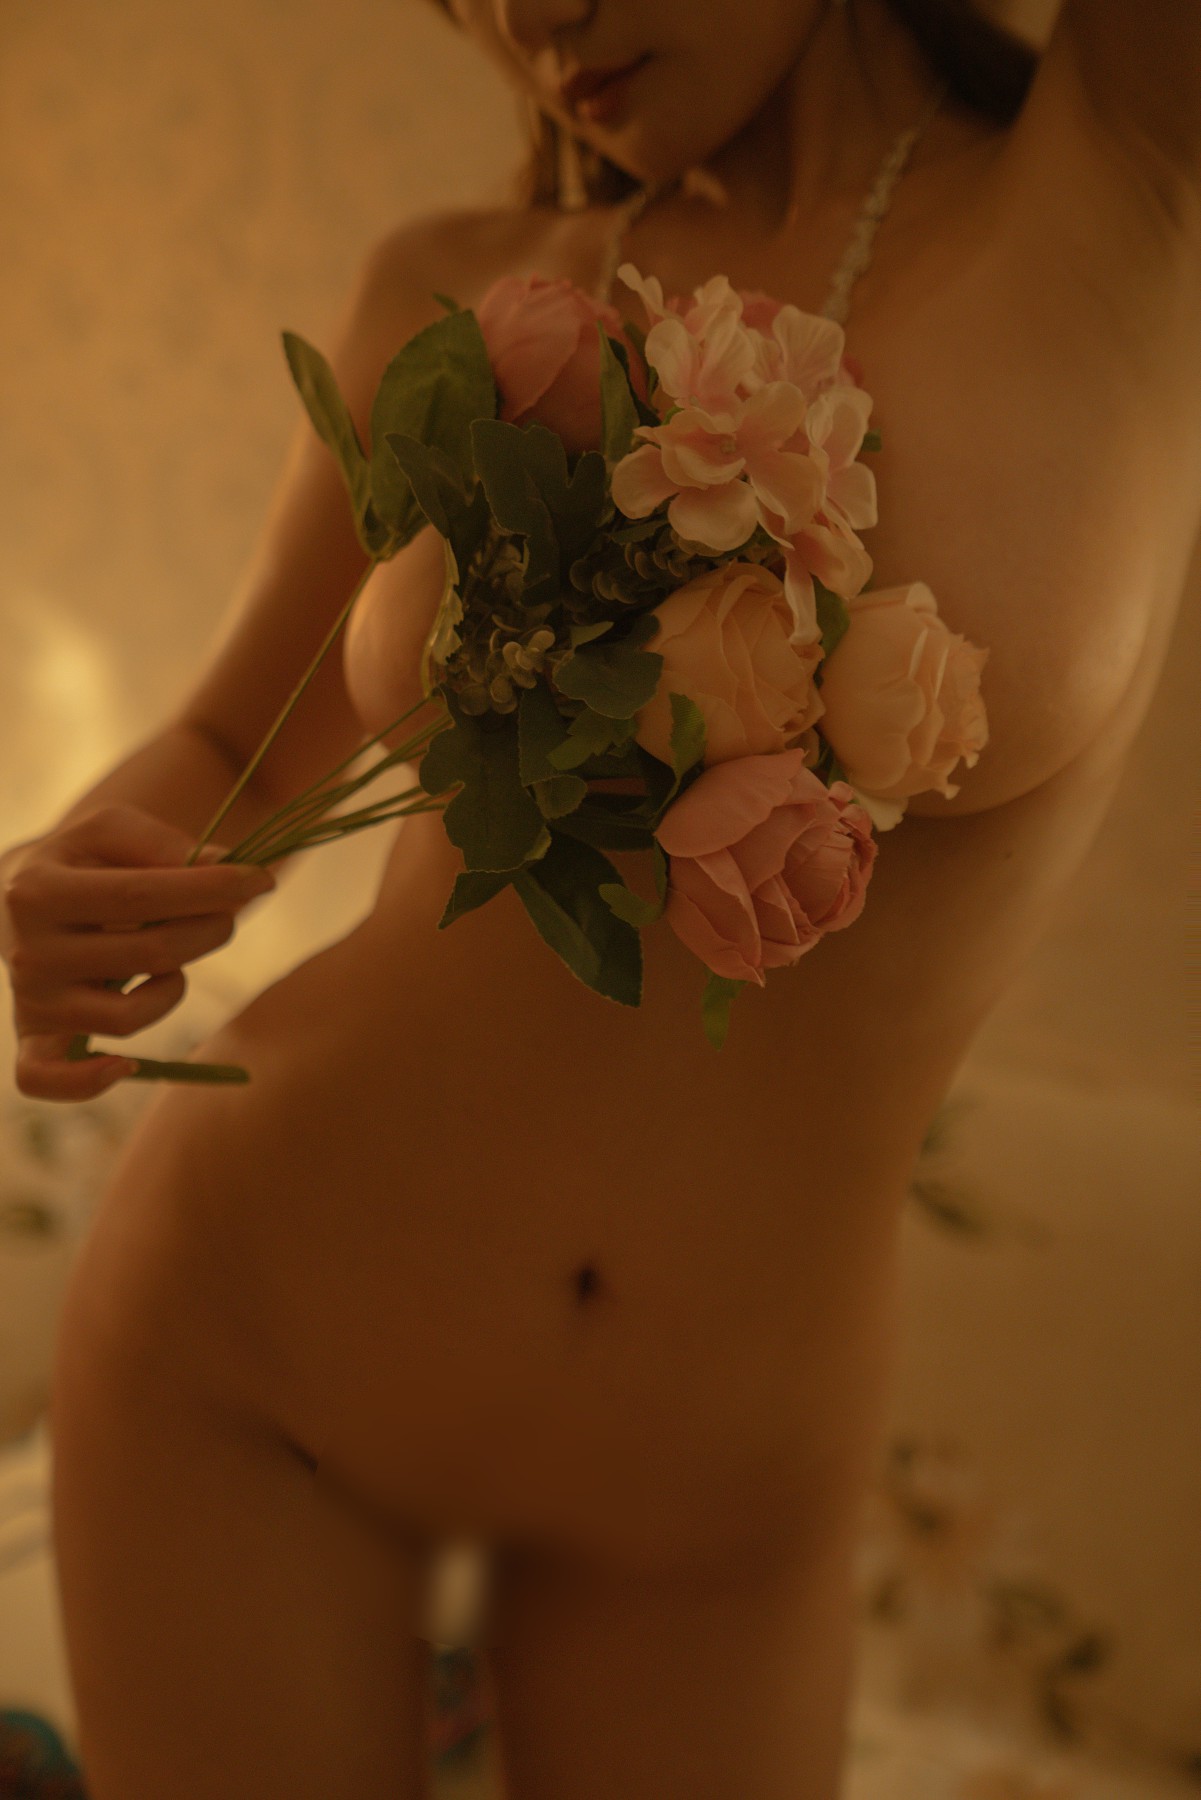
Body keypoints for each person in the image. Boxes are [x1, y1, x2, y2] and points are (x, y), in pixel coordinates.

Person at [1, 1, 1197, 1795]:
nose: (528, 14)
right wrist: (79, 878)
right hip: (255, 1359)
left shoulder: (1125, 175)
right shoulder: (456, 290)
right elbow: (230, 750)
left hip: (705, 1507)